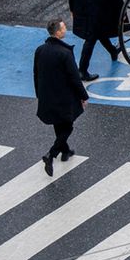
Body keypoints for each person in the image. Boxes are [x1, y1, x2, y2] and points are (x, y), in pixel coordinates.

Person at [33, 18, 87, 176]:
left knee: (59, 124)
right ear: (58, 32)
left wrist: (39, 94)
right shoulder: (64, 53)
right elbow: (74, 78)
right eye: (63, 28)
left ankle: (66, 151)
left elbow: (36, 74)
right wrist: (83, 96)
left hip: (47, 95)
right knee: (68, 126)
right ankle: (52, 154)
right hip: (63, 96)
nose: (65, 29)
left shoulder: (40, 50)